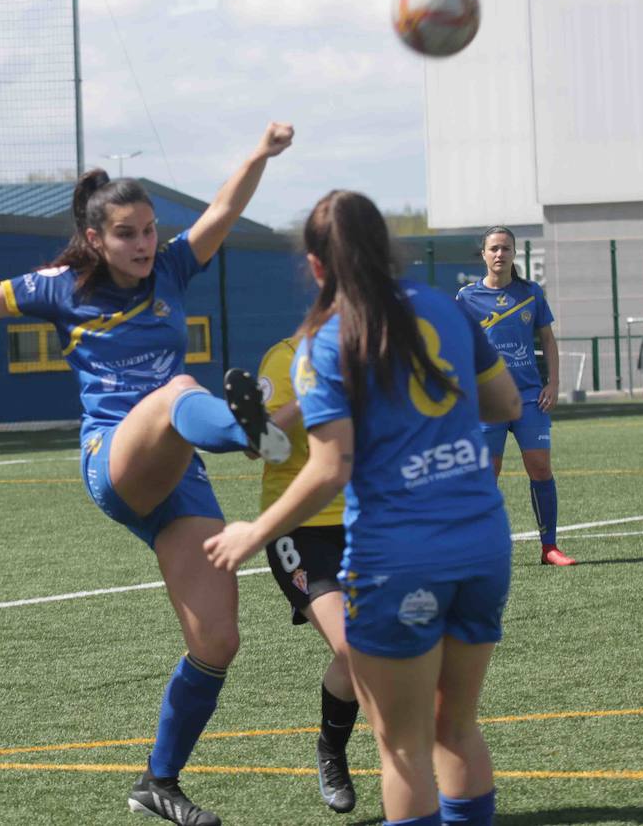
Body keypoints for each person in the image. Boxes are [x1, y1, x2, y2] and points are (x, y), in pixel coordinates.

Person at [0, 122, 296, 826]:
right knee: (175, 393)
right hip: (115, 461)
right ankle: (248, 433)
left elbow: (221, 212)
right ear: (96, 237)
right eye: (127, 233)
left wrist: (257, 154)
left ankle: (157, 783)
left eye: (148, 230)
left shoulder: (170, 268)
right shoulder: (57, 289)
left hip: (178, 475)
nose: (142, 244)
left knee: (217, 642)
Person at [205, 190, 522, 826]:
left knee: (403, 748)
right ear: (387, 247)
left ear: (317, 267)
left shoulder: (326, 341)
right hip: (484, 541)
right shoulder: (448, 309)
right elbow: (507, 404)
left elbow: (329, 469)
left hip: (400, 555)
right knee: (455, 727)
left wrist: (252, 532)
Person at [254, 335, 359, 815]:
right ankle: (331, 751)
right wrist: (307, 396)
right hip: (297, 529)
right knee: (353, 647)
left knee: (389, 649)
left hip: (365, 522)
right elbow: (258, 448)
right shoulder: (284, 357)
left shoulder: (373, 355)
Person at [456, 227, 575, 566]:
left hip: (528, 397)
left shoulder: (531, 292)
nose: (499, 254)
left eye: (506, 248)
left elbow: (548, 341)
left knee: (540, 468)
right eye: (493, 248)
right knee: (486, 477)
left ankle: (549, 547)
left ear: (514, 254)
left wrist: (552, 383)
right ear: (483, 254)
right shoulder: (466, 298)